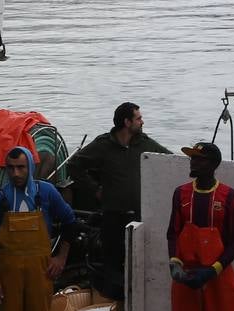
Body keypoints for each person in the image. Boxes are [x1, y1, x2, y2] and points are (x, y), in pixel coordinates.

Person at [67, 101, 170, 300]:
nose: (142, 122)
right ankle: (114, 306)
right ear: (126, 122)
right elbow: (74, 166)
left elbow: (168, 160)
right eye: (138, 118)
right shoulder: (104, 145)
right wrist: (94, 189)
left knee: (140, 263)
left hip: (140, 217)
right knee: (112, 264)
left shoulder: (145, 143)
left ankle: (137, 302)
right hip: (112, 216)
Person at [0, 146, 77, 311]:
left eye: (21, 168)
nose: (16, 173)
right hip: (8, 277)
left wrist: (61, 258)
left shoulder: (46, 192)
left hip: (40, 273)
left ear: (30, 167)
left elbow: (71, 223)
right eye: (11, 168)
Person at [167, 142, 234, 311]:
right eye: (192, 158)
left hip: (219, 277)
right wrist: (174, 263)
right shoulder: (180, 193)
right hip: (186, 277)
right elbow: (173, 232)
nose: (193, 162)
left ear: (213, 164)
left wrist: (214, 270)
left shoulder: (231, 197)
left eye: (199, 159)